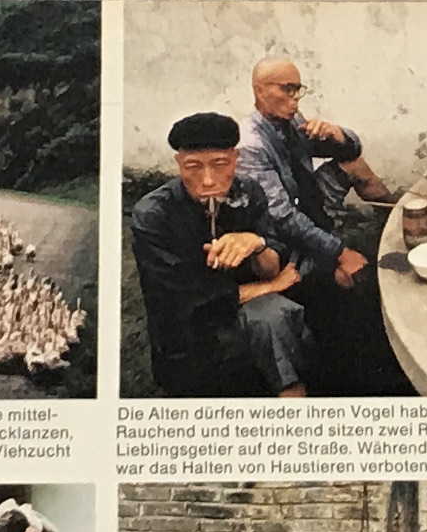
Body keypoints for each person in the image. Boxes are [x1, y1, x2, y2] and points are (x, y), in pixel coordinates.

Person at [239, 54, 399, 392]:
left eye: (299, 89)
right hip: (281, 240)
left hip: (308, 201)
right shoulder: (251, 146)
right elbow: (283, 219)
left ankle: (397, 218)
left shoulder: (291, 120)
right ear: (259, 90)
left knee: (353, 163)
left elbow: (350, 151)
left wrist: (338, 135)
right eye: (288, 89)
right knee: (350, 287)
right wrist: (339, 252)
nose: (296, 98)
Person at [129, 113, 309, 395]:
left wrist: (256, 243)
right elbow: (185, 300)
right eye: (193, 167)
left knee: (274, 315)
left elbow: (273, 265)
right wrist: (271, 286)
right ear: (179, 163)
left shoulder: (249, 191)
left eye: (220, 164)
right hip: (188, 331)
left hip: (246, 310)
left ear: (235, 159)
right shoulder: (153, 214)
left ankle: (291, 393)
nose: (208, 180)